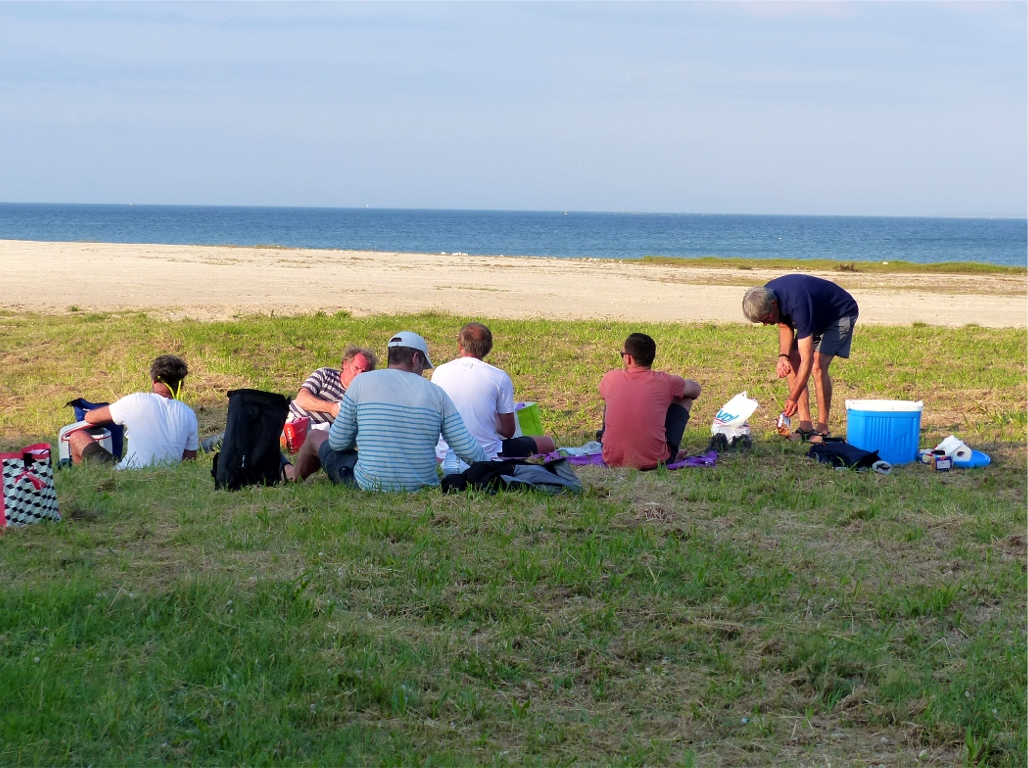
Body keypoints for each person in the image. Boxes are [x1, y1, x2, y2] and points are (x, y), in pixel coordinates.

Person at [293, 331, 487, 489]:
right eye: (423, 366)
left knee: (315, 437)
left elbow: (337, 442)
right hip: (423, 484)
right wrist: (493, 467)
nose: (422, 372)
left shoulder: (361, 382)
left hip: (369, 484)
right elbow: (467, 449)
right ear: (415, 358)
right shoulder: (436, 393)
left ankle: (291, 478)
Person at [742, 274, 859, 440]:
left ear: (773, 303)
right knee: (791, 361)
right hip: (815, 316)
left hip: (839, 314)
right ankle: (805, 428)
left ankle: (823, 430)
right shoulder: (766, 294)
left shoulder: (798, 304)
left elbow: (807, 359)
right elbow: (784, 324)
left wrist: (793, 397)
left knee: (817, 366)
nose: (766, 324)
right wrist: (783, 356)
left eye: (767, 319)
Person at [431, 322, 556, 461]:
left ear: (460, 345)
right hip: (488, 454)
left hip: (443, 453)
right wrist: (494, 415)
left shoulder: (440, 371)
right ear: (489, 348)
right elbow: (508, 432)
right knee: (547, 443)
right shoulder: (499, 377)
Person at [68, 354, 199, 468]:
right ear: (181, 386)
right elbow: (189, 461)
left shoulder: (136, 401)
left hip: (127, 474)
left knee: (77, 436)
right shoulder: (189, 414)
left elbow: (90, 417)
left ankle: (88, 484)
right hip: (166, 477)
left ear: (154, 381)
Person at [599, 333, 701, 470]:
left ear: (628, 358)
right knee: (685, 398)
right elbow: (695, 390)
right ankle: (668, 453)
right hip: (654, 462)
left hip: (612, 459)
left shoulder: (611, 378)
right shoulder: (666, 382)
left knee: (613, 397)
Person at [288, 345, 377, 428]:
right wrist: (331, 408)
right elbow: (302, 398)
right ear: (345, 364)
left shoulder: (362, 397)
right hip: (289, 418)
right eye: (356, 368)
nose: (359, 374)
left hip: (317, 433)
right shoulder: (325, 374)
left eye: (364, 372)